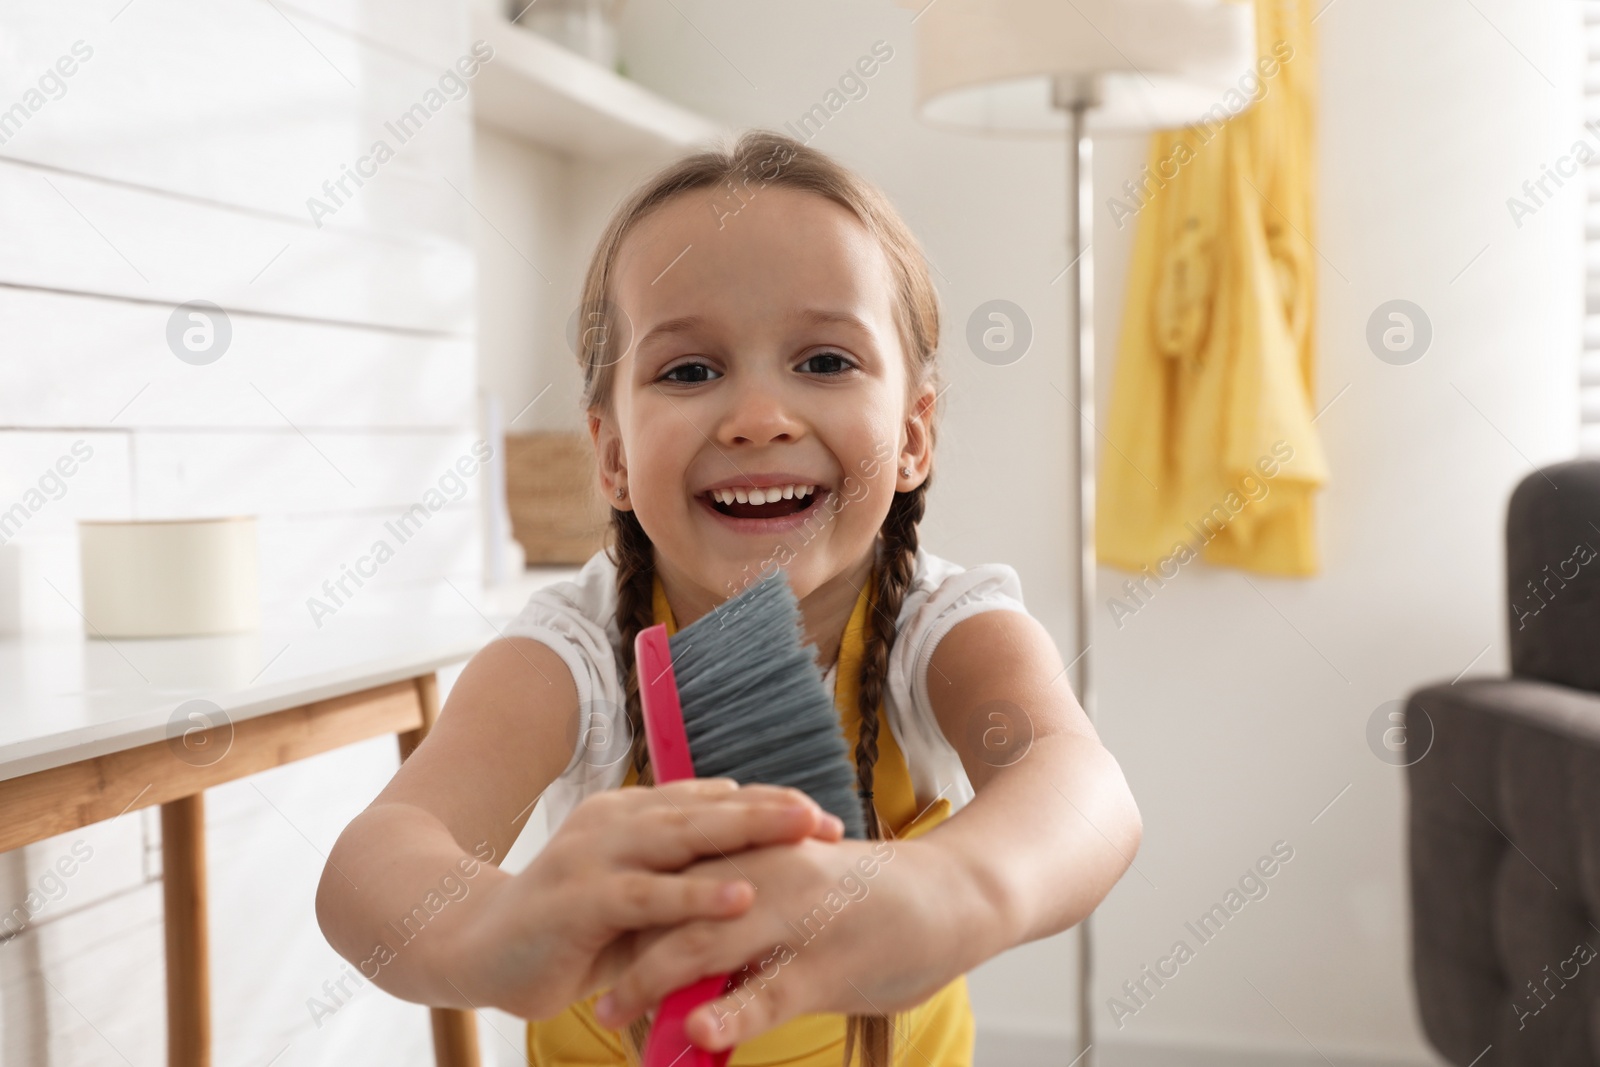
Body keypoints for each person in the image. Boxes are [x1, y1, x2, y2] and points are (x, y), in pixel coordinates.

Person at [316, 129, 1142, 1067]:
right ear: (613, 454)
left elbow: (1085, 791)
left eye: (825, 361)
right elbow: (372, 862)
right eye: (689, 370)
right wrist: (489, 928)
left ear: (915, 434)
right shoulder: (575, 652)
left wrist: (960, 888)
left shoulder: (940, 626)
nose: (758, 418)